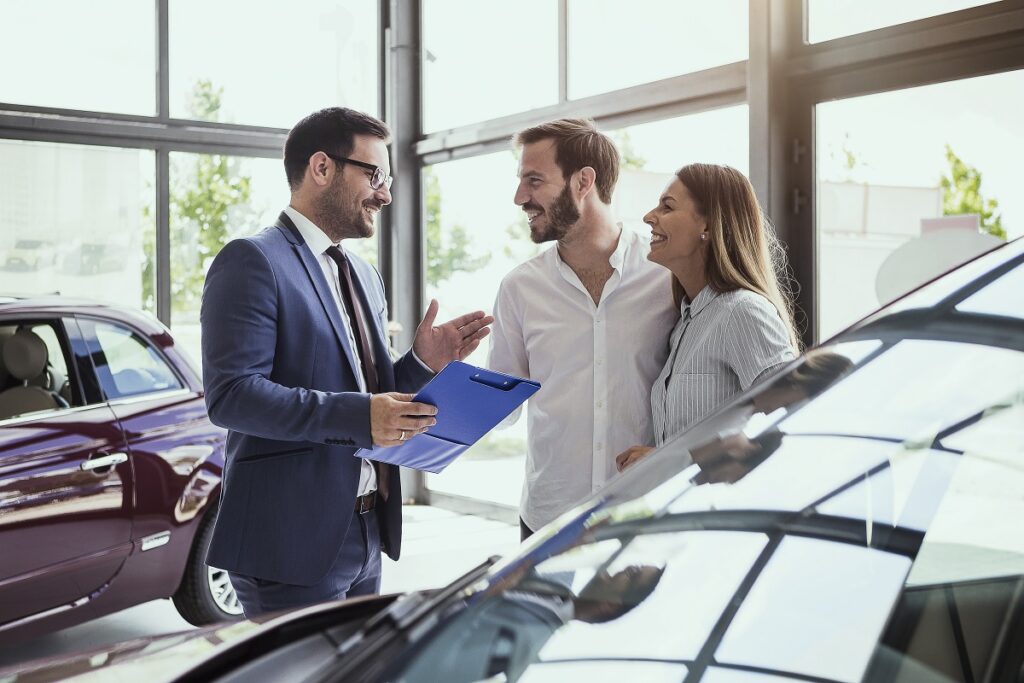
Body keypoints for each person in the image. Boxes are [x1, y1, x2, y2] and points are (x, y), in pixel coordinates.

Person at [201, 107, 493, 616]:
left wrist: (422, 363)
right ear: (321, 168)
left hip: (365, 530)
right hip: (288, 543)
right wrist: (361, 416)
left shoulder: (361, 273)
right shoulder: (252, 260)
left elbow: (369, 392)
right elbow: (232, 395)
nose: (384, 193)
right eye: (373, 175)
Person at [487, 118, 678, 541]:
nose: (520, 197)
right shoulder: (520, 288)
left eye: (534, 181)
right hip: (547, 519)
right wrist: (438, 374)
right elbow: (500, 408)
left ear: (583, 181)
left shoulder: (666, 276)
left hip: (644, 513)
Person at [616, 163, 799, 473]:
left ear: (710, 227)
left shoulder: (742, 312)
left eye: (667, 206)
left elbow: (790, 422)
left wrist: (667, 459)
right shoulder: (685, 321)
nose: (649, 217)